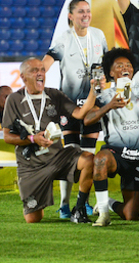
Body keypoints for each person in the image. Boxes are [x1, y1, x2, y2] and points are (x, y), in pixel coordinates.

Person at [2, 57, 95, 223]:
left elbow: (80, 114)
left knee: (88, 159)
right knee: (33, 219)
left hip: (57, 157)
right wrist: (32, 139)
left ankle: (79, 208)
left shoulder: (54, 95)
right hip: (31, 165)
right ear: (23, 77)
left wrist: (94, 90)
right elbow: (8, 136)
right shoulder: (14, 99)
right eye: (34, 70)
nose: (40, 73)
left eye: (42, 70)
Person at [83, 48, 139, 226]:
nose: (126, 68)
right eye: (120, 65)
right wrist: (110, 106)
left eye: (129, 65)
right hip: (115, 154)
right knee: (100, 160)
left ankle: (106, 202)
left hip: (137, 158)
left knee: (130, 215)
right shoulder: (104, 96)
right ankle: (104, 215)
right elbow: (87, 119)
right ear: (111, 72)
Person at [43, 0, 107, 217]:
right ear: (71, 16)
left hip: (92, 103)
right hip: (68, 105)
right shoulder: (64, 39)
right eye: (81, 12)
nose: (86, 15)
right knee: (71, 154)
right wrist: (37, 79)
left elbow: (105, 66)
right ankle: (63, 204)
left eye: (88, 11)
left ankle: (85, 201)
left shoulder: (98, 35)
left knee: (88, 153)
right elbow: (46, 63)